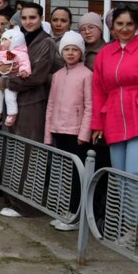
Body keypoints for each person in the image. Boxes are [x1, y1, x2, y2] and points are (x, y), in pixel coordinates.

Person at [91, 5, 138, 240]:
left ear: (137, 25)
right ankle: (135, 227)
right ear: (113, 27)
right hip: (115, 119)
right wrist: (97, 123)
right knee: (121, 176)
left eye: (129, 24)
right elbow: (98, 89)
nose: (125, 29)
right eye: (120, 24)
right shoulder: (105, 53)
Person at [0, 2, 58, 218]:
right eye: (24, 18)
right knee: (13, 151)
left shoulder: (46, 43)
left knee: (30, 153)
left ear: (41, 18)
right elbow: (3, 64)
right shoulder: (17, 39)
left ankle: (27, 205)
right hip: (12, 103)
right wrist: (3, 74)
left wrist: (7, 81)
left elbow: (37, 75)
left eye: (33, 17)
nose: (28, 22)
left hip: (32, 103)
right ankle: (12, 199)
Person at [43, 30, 92, 231]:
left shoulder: (87, 75)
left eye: (75, 49)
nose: (70, 53)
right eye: (66, 49)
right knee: (65, 173)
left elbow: (90, 105)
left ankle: (77, 213)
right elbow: (51, 104)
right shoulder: (57, 75)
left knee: (78, 175)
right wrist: (48, 133)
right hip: (59, 129)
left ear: (81, 52)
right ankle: (68, 211)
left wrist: (84, 133)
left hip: (76, 132)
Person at [0, 28, 31, 125]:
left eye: (5, 40)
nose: (2, 42)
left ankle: (12, 114)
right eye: (2, 39)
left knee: (9, 96)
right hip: (2, 78)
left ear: (15, 41)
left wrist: (24, 71)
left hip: (14, 79)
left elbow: (25, 63)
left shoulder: (19, 54)